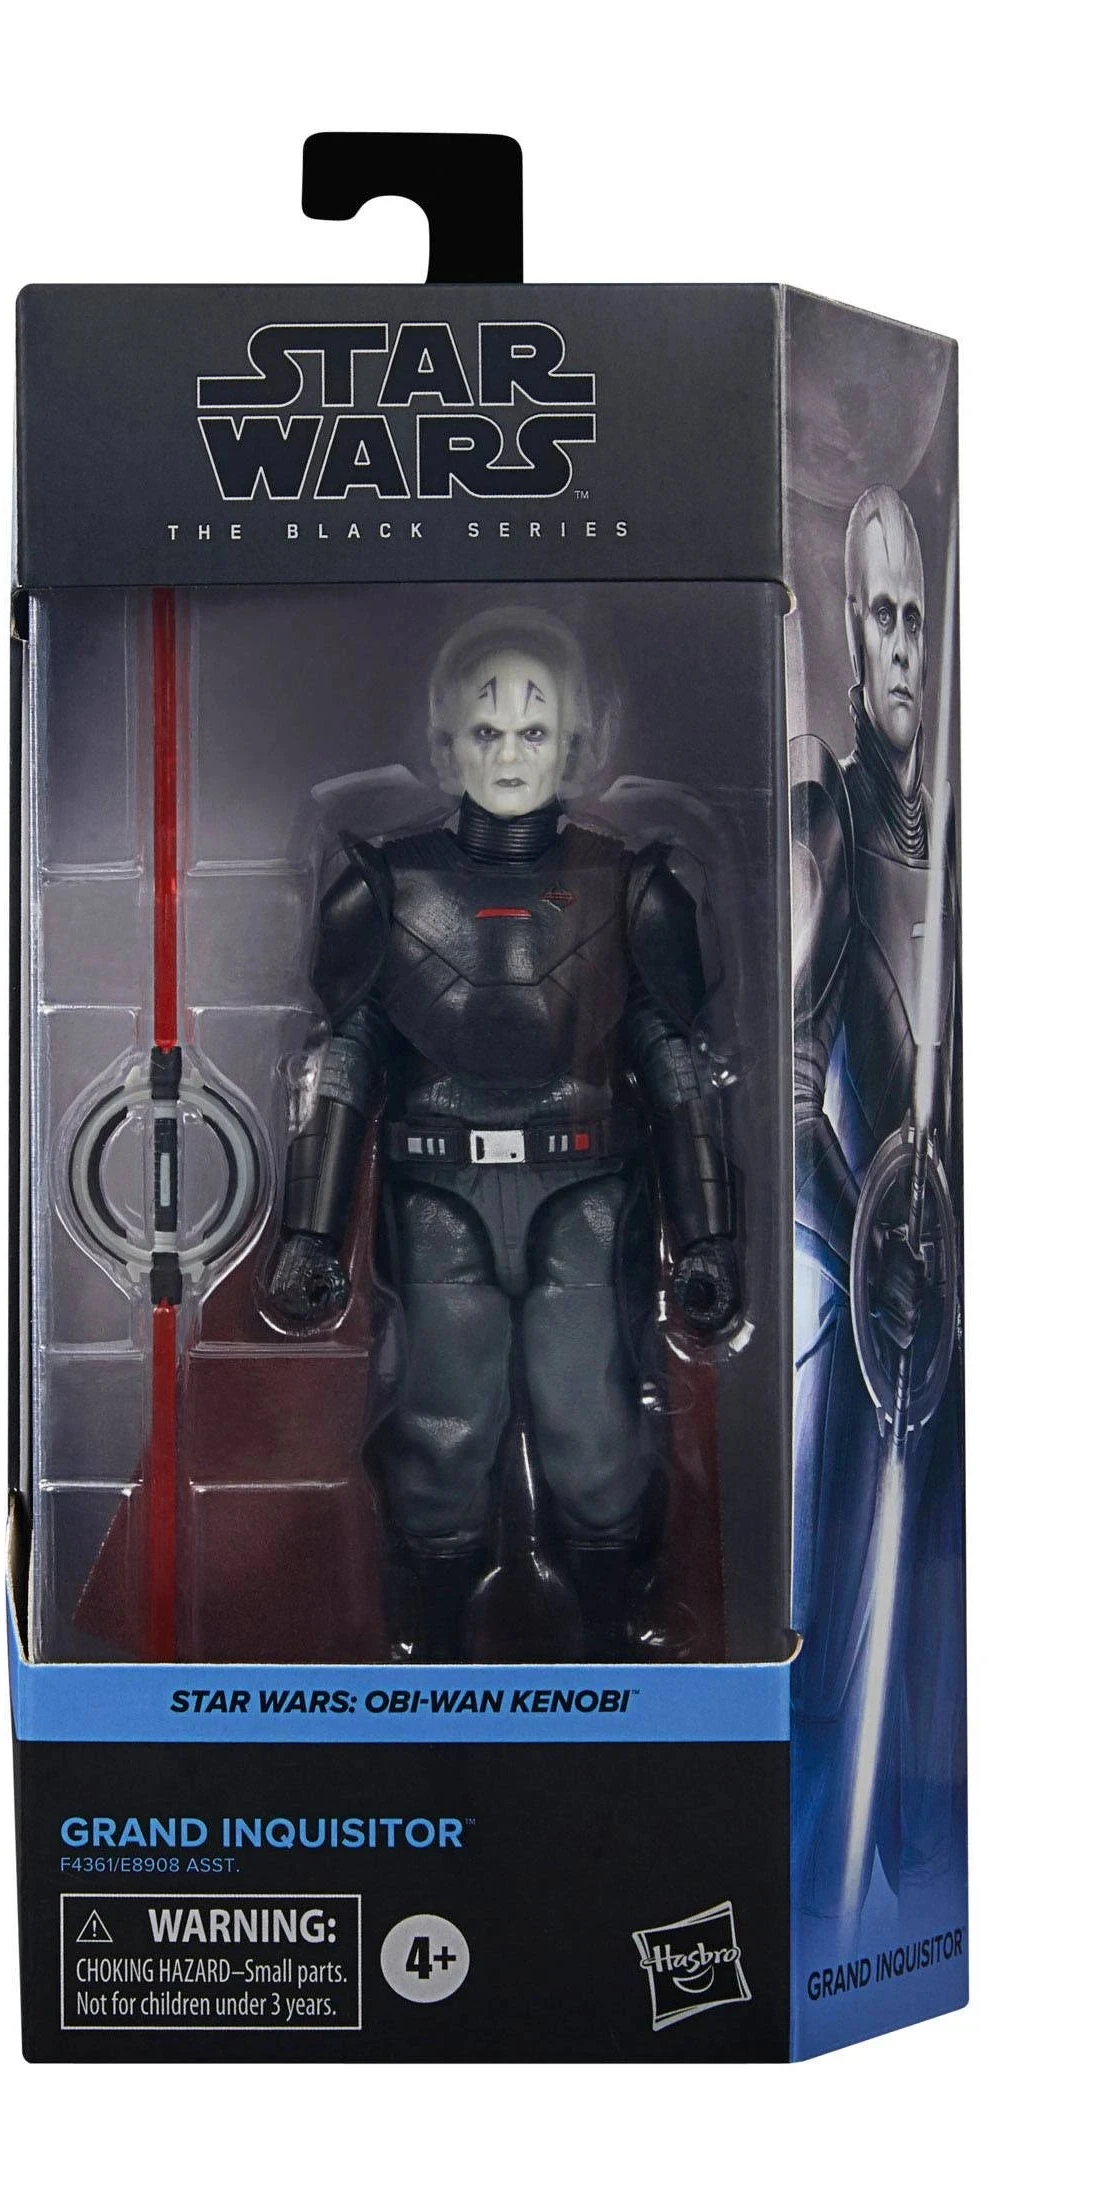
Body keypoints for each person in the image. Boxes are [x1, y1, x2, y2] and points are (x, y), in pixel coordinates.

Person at [268, 606, 741, 1660]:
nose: (510, 752)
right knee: (441, 1432)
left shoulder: (629, 886)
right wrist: (309, 1233)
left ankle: (615, 1649)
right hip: (438, 1196)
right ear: (447, 746)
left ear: (573, 742)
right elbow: (343, 1062)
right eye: (486, 731)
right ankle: (432, 1658)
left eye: (533, 730)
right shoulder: (385, 887)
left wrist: (707, 1235)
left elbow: (674, 1065)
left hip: (587, 1192)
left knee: (593, 1432)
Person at [790, 487, 963, 1916]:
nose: (901, 646)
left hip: (951, 1305)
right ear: (848, 635)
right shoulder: (829, 821)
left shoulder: (958, 843)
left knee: (939, 1652)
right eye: (881, 619)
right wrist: (870, 1245)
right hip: (862, 1312)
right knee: (840, 1638)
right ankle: (812, 1905)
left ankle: (920, 1890)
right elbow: (789, 1092)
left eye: (915, 619)